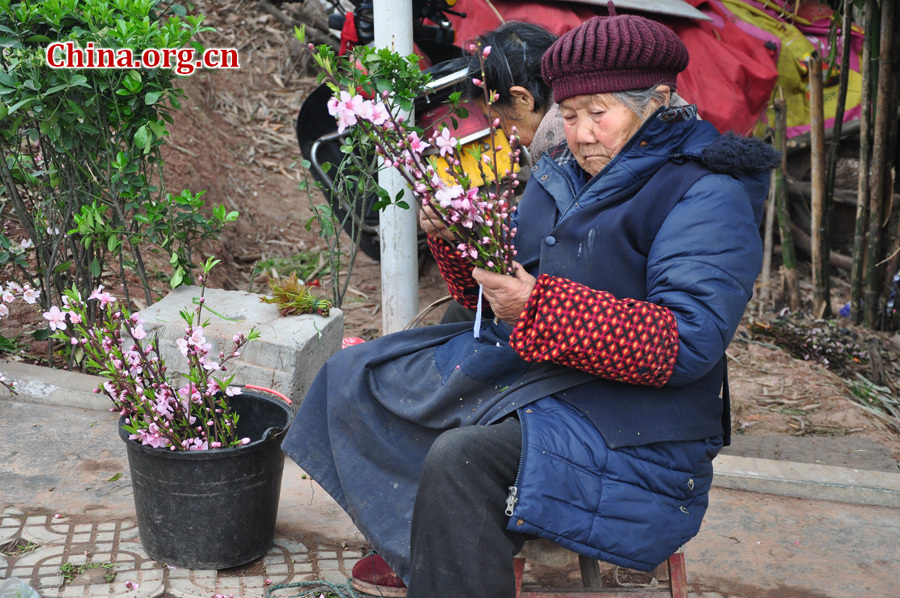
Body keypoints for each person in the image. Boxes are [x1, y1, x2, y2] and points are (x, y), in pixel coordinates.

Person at [281, 8, 780, 598]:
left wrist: (538, 308)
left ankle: (441, 553)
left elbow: (688, 341)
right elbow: (498, 303)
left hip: (637, 422)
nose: (582, 133)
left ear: (658, 101)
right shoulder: (564, 171)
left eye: (600, 113)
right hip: (550, 375)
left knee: (460, 460)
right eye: (568, 115)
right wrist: (462, 250)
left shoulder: (704, 191)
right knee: (352, 376)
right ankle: (420, 546)